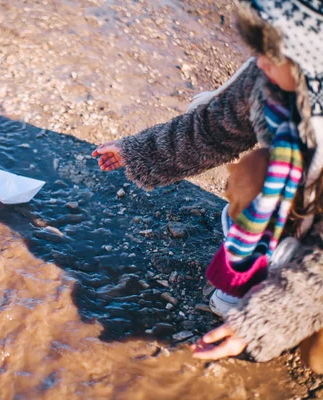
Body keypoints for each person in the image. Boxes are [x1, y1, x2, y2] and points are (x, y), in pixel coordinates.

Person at [93, 0, 323, 365]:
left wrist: (262, 322)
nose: (258, 61)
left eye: (273, 54)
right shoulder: (266, 79)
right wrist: (135, 151)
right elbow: (210, 131)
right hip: (302, 204)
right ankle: (258, 268)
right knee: (252, 173)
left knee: (317, 360)